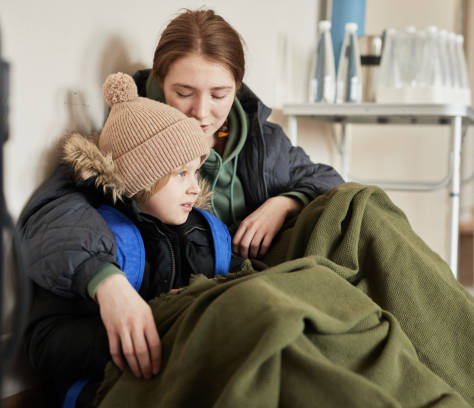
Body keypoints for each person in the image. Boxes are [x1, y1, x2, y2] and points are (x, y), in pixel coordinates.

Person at [17, 7, 343, 390]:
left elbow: (329, 182)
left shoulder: (262, 141)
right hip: (188, 318)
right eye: (183, 93)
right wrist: (110, 284)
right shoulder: (129, 146)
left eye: (220, 94)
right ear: (160, 82)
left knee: (363, 208)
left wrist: (285, 202)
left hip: (242, 277)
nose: (202, 113)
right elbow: (53, 213)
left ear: (237, 87)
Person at [25, 72, 244, 407]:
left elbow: (243, 283)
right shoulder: (101, 238)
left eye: (196, 172)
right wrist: (137, 336)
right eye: (180, 174)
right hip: (105, 385)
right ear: (141, 180)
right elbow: (44, 342)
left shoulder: (208, 232)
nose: (193, 186)